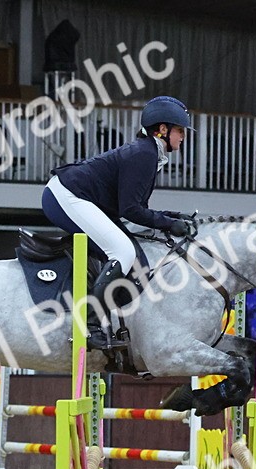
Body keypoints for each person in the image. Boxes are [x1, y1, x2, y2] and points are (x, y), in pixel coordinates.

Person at [41, 95, 193, 350]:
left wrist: (170, 216)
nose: (183, 137)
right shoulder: (144, 154)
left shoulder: (149, 153)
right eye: (180, 130)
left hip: (80, 197)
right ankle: (88, 326)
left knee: (129, 249)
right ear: (163, 129)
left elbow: (135, 207)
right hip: (66, 196)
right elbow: (131, 210)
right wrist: (166, 224)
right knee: (122, 251)